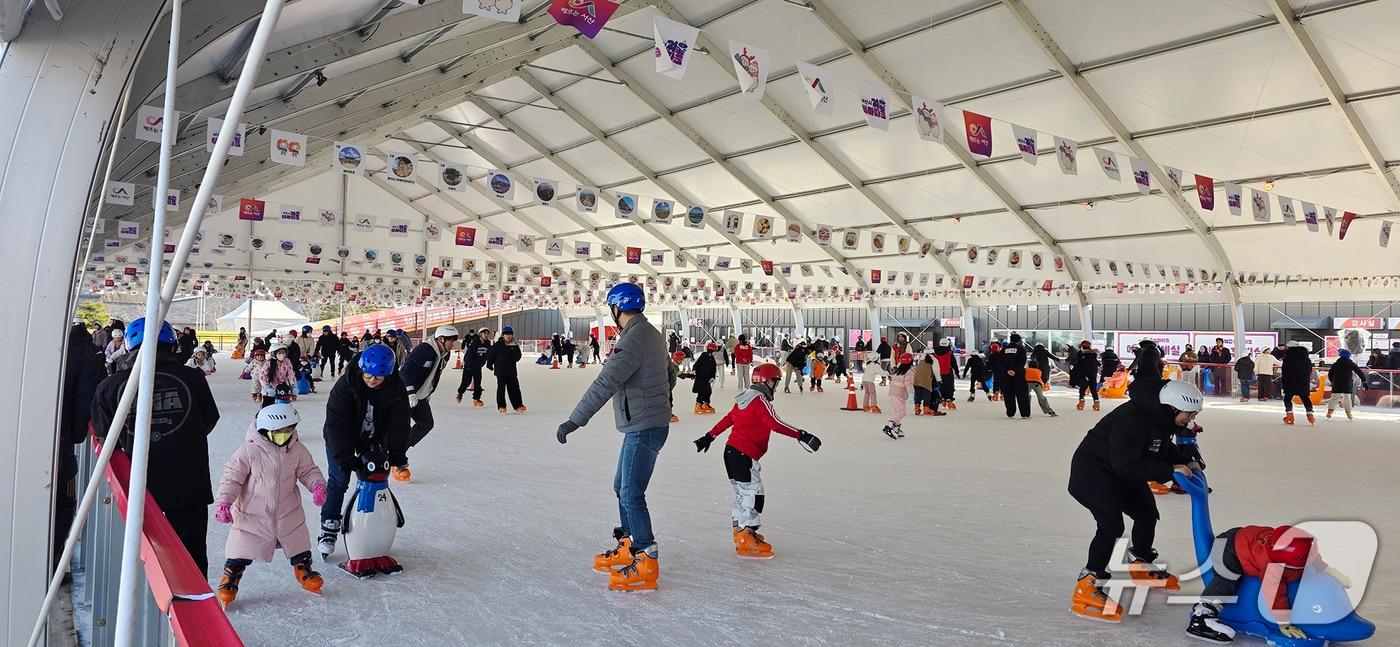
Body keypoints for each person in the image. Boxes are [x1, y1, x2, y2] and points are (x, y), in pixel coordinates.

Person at [555, 283, 671, 592]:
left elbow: (605, 382)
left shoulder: (633, 341)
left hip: (644, 426)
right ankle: (629, 544)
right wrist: (661, 401)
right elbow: (669, 372)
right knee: (621, 487)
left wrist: (574, 421)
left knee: (631, 491)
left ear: (616, 309)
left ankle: (646, 558)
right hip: (649, 422)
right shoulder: (651, 335)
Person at [1067, 379, 1204, 623]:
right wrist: (1169, 469)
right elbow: (1126, 465)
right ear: (1172, 408)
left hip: (1122, 471)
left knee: (1146, 513)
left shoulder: (1159, 417)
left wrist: (1185, 459)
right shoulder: (1131, 420)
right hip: (1094, 472)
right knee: (1111, 526)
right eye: (1189, 414)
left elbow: (1159, 446)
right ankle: (1088, 582)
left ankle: (1140, 564)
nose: (1190, 419)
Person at [91, 318, 221, 576]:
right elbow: (208, 420)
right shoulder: (193, 379)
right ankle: (190, 611)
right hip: (188, 484)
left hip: (134, 487)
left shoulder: (110, 386)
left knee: (134, 561)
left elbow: (106, 438)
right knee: (189, 561)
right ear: (172, 346)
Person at [693, 362, 821, 559]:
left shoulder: (745, 398)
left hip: (731, 453)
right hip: (743, 455)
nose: (775, 386)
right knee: (754, 496)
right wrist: (802, 435)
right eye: (775, 382)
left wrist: (709, 436)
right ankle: (746, 535)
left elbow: (729, 419)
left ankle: (741, 532)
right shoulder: (760, 400)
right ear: (766, 381)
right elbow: (775, 423)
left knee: (742, 495)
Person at [214, 403, 328, 607]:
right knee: (240, 550)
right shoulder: (248, 452)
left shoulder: (297, 450)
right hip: (252, 514)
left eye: (289, 430)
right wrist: (224, 503)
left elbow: (309, 470)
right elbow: (231, 479)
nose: (286, 435)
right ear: (266, 430)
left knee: (298, 542)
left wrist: (317, 486)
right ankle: (231, 576)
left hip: (287, 510)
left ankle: (304, 569)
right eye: (280, 431)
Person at [317, 344, 411, 561]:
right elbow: (336, 423)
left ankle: (373, 528)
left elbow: (400, 423)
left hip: (373, 437)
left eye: (378, 378)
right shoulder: (346, 384)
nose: (371, 380)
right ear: (361, 368)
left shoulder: (396, 388)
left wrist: (397, 455)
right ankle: (329, 525)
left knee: (377, 479)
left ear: (388, 374)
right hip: (341, 436)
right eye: (368, 375)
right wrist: (344, 456)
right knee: (339, 479)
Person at [1185, 525, 1350, 643]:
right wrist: (1284, 624)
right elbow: (1274, 591)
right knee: (1228, 578)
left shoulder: (1302, 545)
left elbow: (1313, 557)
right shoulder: (1271, 565)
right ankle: (1202, 616)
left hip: (1244, 538)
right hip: (1226, 548)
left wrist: (1331, 571)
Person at [58, 324, 105, 567]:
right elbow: (84, 400)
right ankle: (56, 555)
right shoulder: (84, 359)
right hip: (61, 443)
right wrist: (75, 434)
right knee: (64, 500)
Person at [393, 325, 459, 482]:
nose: (453, 344)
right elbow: (404, 372)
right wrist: (409, 392)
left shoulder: (445, 354)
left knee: (426, 423)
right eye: (451, 341)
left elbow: (434, 374)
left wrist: (427, 393)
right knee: (401, 428)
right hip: (404, 395)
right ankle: (397, 461)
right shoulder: (424, 350)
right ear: (441, 339)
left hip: (420, 396)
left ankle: (396, 452)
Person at [486, 326, 524, 413]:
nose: (508, 336)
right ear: (503, 335)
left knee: (514, 388)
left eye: (510, 334)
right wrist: (489, 364)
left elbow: (519, 355)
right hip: (500, 370)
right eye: (506, 334)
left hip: (511, 370)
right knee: (501, 388)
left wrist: (513, 358)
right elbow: (492, 355)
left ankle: (518, 405)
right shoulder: (498, 345)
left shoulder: (514, 344)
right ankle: (501, 406)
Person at [1280, 342, 1315, 425]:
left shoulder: (1287, 359)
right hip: (1303, 382)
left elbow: (1284, 372)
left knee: (1287, 399)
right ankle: (1310, 415)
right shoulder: (1306, 359)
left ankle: (1290, 415)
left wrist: (1284, 383)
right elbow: (1309, 371)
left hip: (1290, 382)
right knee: (1305, 398)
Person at [1325, 349, 1366, 421]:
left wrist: (1332, 381)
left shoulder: (1336, 364)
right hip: (1347, 383)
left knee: (1334, 397)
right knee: (1347, 398)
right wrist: (1364, 381)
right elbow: (1359, 372)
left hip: (1337, 383)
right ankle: (1349, 413)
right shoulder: (1351, 363)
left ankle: (1329, 412)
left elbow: (1330, 373)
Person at [456, 328, 492, 408]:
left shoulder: (487, 344)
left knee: (478, 383)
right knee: (466, 382)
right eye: (484, 333)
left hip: (478, 367)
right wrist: (466, 364)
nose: (486, 335)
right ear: (480, 334)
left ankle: (476, 399)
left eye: (487, 334)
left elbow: (489, 354)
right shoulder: (475, 343)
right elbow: (469, 355)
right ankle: (460, 393)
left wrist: (488, 363)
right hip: (469, 366)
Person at [883, 353, 915, 438]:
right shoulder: (909, 371)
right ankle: (890, 425)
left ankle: (896, 428)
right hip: (900, 394)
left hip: (893, 392)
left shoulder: (898, 370)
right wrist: (911, 394)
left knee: (897, 411)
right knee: (902, 411)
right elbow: (908, 384)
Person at [1000, 333, 1031, 419]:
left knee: (1008, 395)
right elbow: (1022, 362)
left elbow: (1001, 363)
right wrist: (1015, 370)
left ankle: (1010, 412)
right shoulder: (1021, 349)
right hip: (1019, 376)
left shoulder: (1003, 350)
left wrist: (1007, 370)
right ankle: (1025, 413)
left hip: (1006, 376)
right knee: (1022, 395)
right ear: (1018, 341)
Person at [257, 342, 297, 406]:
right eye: (279, 353)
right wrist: (267, 387)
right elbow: (262, 376)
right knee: (267, 406)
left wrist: (294, 386)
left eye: (284, 353)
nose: (282, 355)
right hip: (270, 390)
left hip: (283, 390)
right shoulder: (268, 363)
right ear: (274, 354)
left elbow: (290, 374)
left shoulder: (287, 361)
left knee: (284, 407)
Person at [1070, 341, 1101, 411]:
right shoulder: (1094, 356)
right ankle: (1096, 403)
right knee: (1093, 390)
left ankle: (1081, 401)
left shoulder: (1081, 356)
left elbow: (1077, 366)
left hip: (1084, 376)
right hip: (1093, 376)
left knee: (1082, 389)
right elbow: (1098, 364)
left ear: (1081, 347)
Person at [693, 342, 719, 414]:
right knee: (702, 392)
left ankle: (705, 404)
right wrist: (694, 370)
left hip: (707, 379)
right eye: (715, 351)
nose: (715, 353)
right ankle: (698, 405)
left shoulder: (712, 358)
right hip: (700, 377)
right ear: (711, 350)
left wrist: (712, 377)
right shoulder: (704, 355)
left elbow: (713, 369)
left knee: (708, 391)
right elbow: (697, 363)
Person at [932, 338, 958, 410]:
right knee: (949, 386)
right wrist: (957, 372)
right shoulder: (949, 352)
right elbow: (954, 363)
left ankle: (942, 398)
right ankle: (949, 400)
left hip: (937, 373)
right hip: (948, 372)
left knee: (940, 386)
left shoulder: (934, 352)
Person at [668, 351, 682, 423]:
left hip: (669, 387)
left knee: (670, 400)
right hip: (666, 387)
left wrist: (689, 375)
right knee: (668, 401)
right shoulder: (671, 365)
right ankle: (667, 415)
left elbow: (679, 374)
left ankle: (668, 413)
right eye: (681, 359)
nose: (681, 361)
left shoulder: (675, 366)